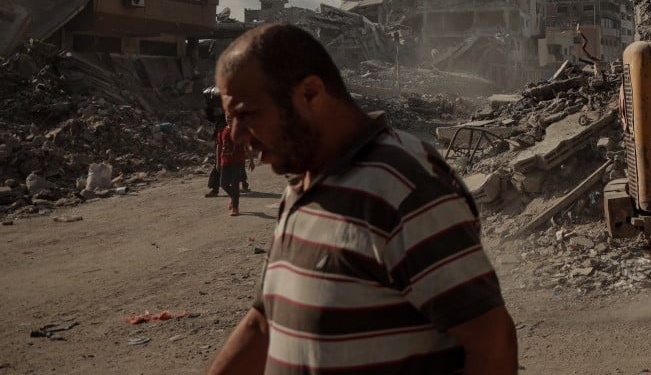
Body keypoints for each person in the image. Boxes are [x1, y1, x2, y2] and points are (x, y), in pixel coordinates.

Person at [206, 23, 518, 375]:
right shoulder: (303, 185)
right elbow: (264, 322)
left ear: (310, 93)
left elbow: (492, 343)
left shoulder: (403, 185)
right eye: (229, 118)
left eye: (247, 114)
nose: (235, 134)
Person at [203, 86, 249, 197]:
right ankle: (216, 188)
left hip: (232, 137)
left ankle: (241, 183)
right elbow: (211, 118)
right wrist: (208, 107)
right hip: (222, 138)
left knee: (235, 159)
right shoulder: (222, 114)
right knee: (222, 161)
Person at [215, 123, 250, 216]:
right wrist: (218, 162)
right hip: (225, 161)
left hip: (238, 161)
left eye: (231, 116)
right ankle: (232, 196)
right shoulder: (222, 131)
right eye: (227, 116)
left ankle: (235, 207)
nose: (229, 118)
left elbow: (247, 145)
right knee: (223, 184)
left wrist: (251, 160)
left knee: (235, 184)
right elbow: (219, 147)